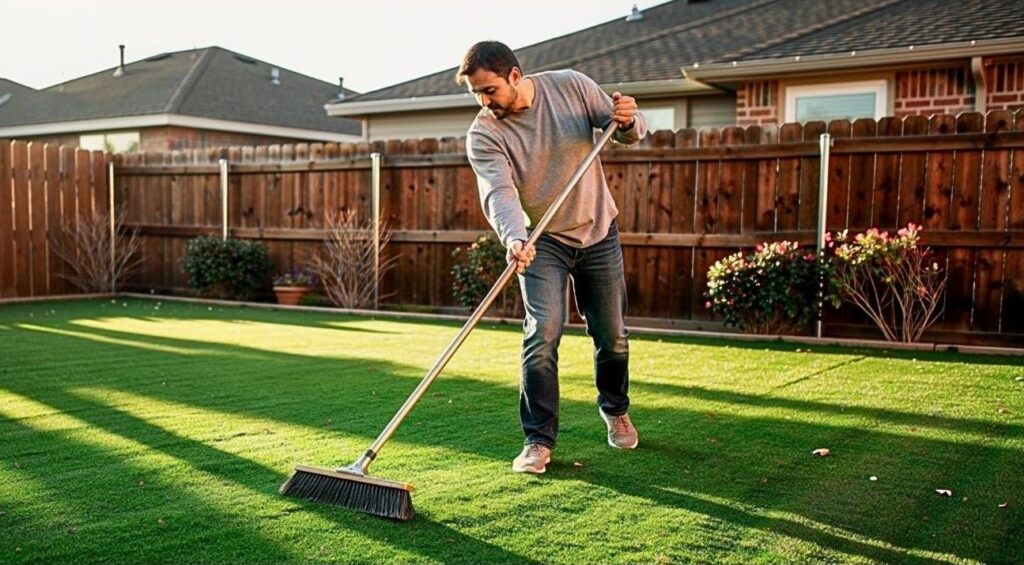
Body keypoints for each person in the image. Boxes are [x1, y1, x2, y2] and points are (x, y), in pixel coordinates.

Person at [457, 41, 647, 474]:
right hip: (540, 244)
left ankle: (615, 408)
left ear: (515, 76)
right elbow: (498, 192)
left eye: (489, 90)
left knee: (612, 332)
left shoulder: (572, 87)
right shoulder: (485, 133)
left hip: (598, 230)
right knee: (542, 332)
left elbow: (626, 131)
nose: (485, 102)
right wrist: (513, 237)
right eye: (476, 94)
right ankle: (538, 440)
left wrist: (629, 119)